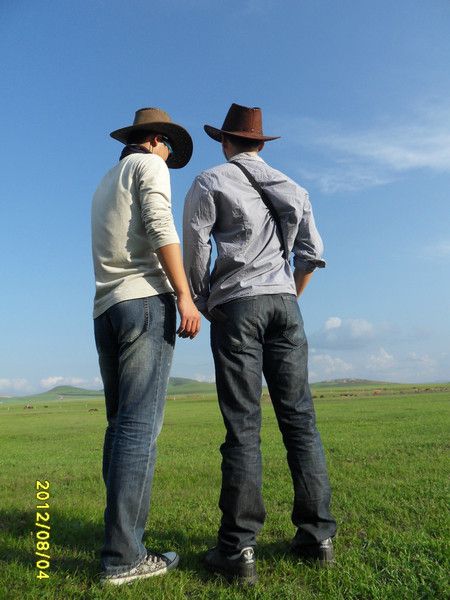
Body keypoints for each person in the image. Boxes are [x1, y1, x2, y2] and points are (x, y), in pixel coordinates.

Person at [183, 103, 336, 584]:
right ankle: (317, 538)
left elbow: (196, 248)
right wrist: (290, 295)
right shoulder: (294, 187)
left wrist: (202, 300)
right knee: (301, 422)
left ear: (226, 142)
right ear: (260, 142)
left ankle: (238, 549)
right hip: (285, 305)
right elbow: (311, 254)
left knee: (243, 427)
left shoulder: (211, 180)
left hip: (237, 306)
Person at [91, 107, 201, 586]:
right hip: (144, 302)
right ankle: (124, 557)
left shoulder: (105, 181)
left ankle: (118, 539)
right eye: (169, 146)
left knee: (120, 426)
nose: (170, 155)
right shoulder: (149, 166)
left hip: (105, 307)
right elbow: (160, 226)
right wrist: (184, 294)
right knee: (139, 427)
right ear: (154, 139)